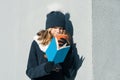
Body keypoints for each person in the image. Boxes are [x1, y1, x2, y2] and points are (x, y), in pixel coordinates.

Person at [26, 11, 83, 80]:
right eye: (55, 28)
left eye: (61, 28)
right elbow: (30, 72)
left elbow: (70, 74)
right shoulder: (37, 43)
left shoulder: (64, 44)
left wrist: (68, 54)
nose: (58, 31)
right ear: (49, 28)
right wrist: (45, 68)